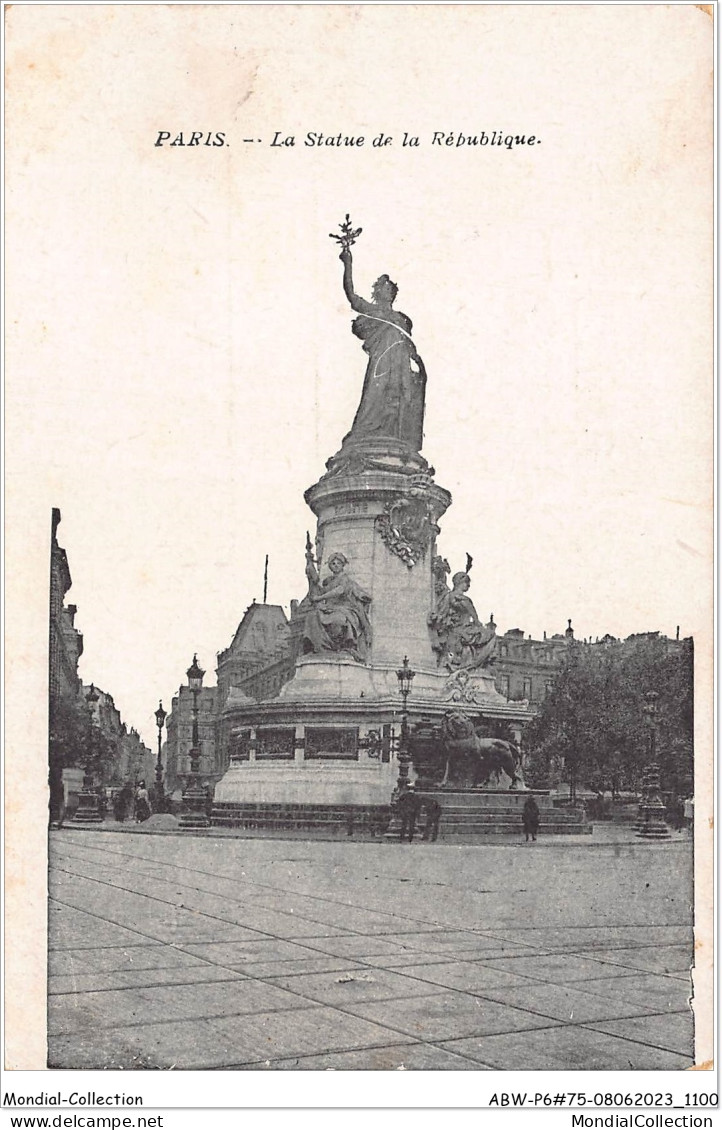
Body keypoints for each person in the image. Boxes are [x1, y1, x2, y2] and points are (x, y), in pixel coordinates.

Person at [338, 247, 426, 450]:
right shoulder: (374, 311)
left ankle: (393, 435)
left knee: (399, 398)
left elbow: (409, 347)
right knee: (375, 396)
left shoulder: (400, 319)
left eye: (389, 288)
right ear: (378, 291)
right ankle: (371, 431)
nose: (386, 290)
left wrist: (418, 364)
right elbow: (352, 296)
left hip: (400, 363)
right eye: (382, 287)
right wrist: (347, 264)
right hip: (382, 362)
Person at [302, 550, 372, 662]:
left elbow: (339, 591)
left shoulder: (344, 579)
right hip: (330, 608)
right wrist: (311, 578)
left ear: (342, 565)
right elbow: (317, 591)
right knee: (312, 616)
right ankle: (319, 648)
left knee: (337, 619)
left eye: (338, 563)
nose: (336, 566)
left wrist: (320, 598)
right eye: (333, 564)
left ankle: (343, 646)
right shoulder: (328, 581)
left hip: (345, 608)